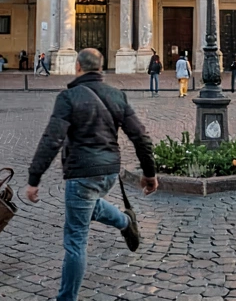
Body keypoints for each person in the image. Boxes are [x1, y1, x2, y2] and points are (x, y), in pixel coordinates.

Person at [25, 47, 157, 301]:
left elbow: (52, 139)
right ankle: (125, 222)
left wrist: (34, 178)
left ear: (77, 67)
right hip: (109, 173)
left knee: (75, 241)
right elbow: (141, 136)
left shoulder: (68, 97)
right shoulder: (117, 95)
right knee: (88, 205)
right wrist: (149, 174)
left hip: (82, 173)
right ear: (101, 68)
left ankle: (67, 298)